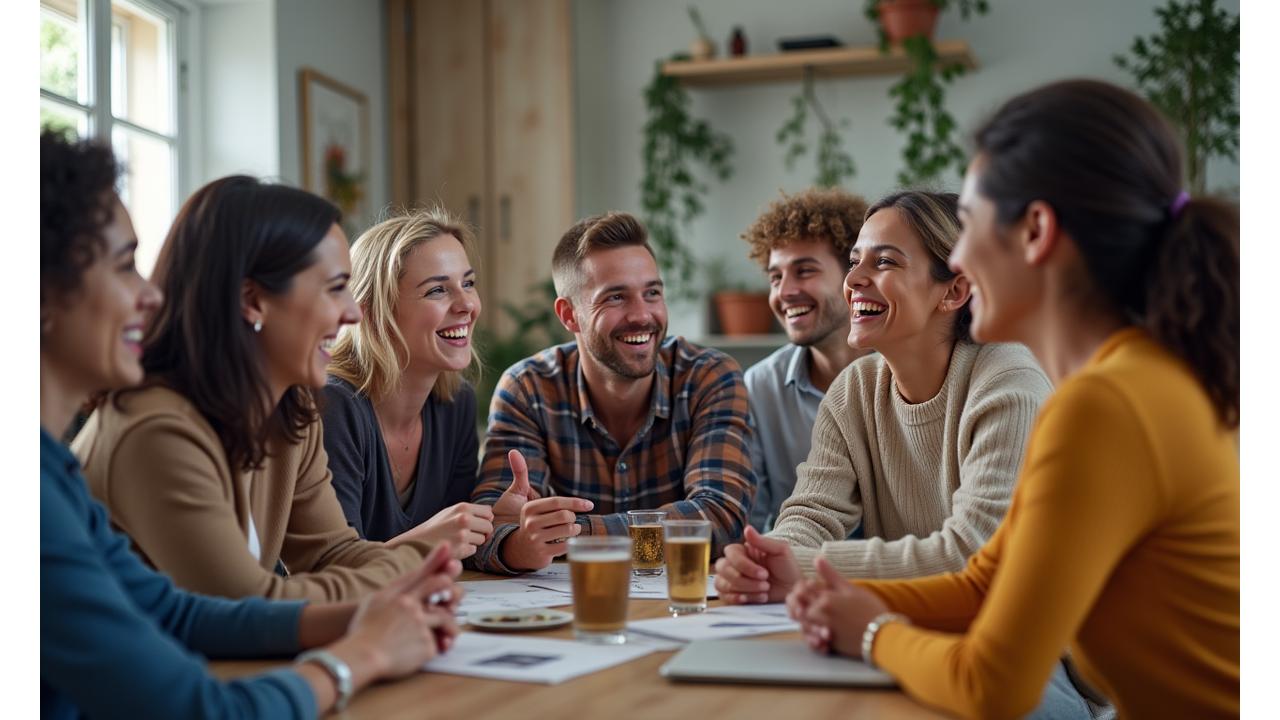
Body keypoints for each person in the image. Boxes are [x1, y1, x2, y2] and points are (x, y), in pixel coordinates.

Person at [788, 79, 1239, 719]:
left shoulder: (1107, 406)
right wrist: (838, 599)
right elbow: (982, 582)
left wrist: (870, 631)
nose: (962, 258)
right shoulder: (1114, 385)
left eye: (967, 225)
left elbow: (992, 685)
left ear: (1035, 231)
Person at [41, 130, 462, 719]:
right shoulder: (143, 435)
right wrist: (366, 642)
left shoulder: (49, 472)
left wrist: (380, 607)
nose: (150, 297)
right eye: (123, 268)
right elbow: (206, 691)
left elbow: (177, 612)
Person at [72, 175, 434, 601]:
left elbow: (330, 552)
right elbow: (247, 606)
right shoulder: (156, 430)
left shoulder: (289, 407)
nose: (353, 313)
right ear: (252, 300)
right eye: (336, 288)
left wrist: (414, 566)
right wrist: (418, 564)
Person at [716, 190, 1051, 599]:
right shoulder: (855, 389)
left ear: (954, 291)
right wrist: (767, 560)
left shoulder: (1009, 381)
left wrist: (799, 567)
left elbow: (975, 552)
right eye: (855, 262)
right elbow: (813, 513)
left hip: (1016, 644)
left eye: (885, 262)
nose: (853, 280)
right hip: (906, 621)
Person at [470, 211, 756, 574]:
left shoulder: (709, 378)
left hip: (685, 612)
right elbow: (495, 525)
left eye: (652, 292)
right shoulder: (528, 389)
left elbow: (719, 517)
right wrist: (516, 543)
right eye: (616, 297)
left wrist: (573, 533)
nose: (642, 315)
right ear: (569, 315)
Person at [323, 208, 494, 560]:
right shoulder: (333, 405)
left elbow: (455, 549)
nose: (467, 306)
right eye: (437, 290)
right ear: (372, 310)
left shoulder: (455, 403)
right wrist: (429, 541)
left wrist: (494, 526)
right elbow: (330, 571)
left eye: (468, 284)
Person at [739, 187, 874, 532]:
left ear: (854, 278)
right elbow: (751, 521)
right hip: (799, 570)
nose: (784, 292)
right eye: (775, 277)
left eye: (804, 271)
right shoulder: (761, 386)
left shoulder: (907, 376)